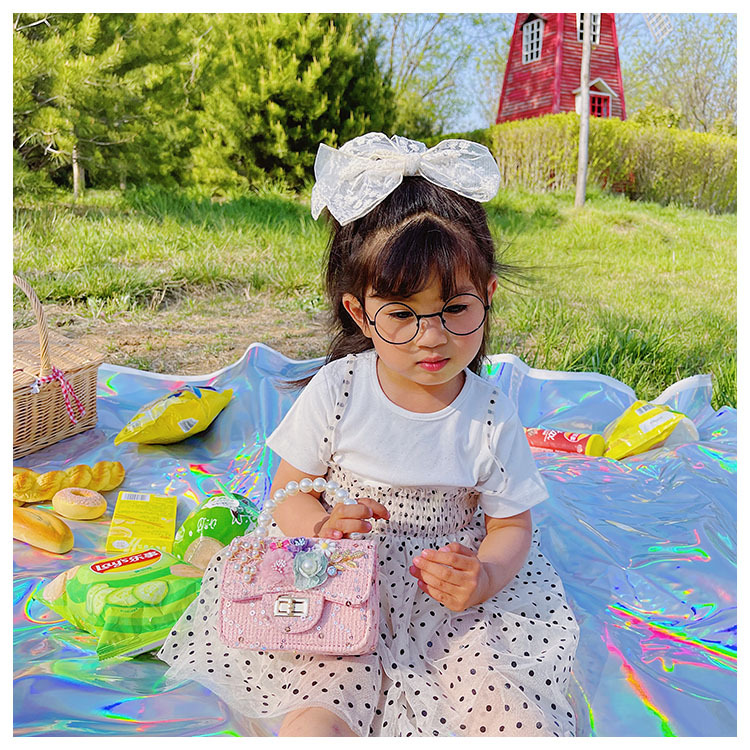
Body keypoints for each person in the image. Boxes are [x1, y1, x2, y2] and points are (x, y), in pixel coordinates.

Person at [158, 133, 579, 737]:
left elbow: (511, 526)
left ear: (486, 297)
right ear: (360, 313)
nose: (431, 337)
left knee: (505, 703)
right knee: (319, 708)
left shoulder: (490, 414)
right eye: (402, 314)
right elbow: (289, 494)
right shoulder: (340, 390)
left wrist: (483, 575)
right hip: (339, 580)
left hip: (452, 600)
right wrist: (320, 527)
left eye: (455, 310)